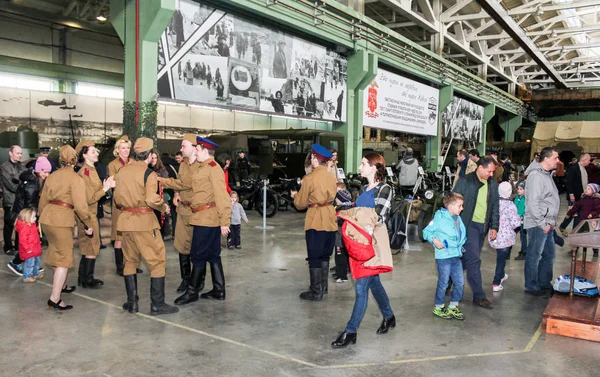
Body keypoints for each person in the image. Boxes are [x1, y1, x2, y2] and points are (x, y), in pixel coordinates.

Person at [331, 153, 395, 348]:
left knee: (361, 288)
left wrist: (359, 219)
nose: (360, 167)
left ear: (374, 168)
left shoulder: (385, 188)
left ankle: (351, 331)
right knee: (374, 283)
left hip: (371, 246)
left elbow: (379, 217)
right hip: (359, 245)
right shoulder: (364, 189)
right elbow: (360, 215)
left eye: (363, 164)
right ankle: (389, 316)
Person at [114, 137, 178, 316]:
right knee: (157, 261)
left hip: (126, 222)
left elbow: (117, 199)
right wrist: (162, 206)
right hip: (144, 222)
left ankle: (132, 303)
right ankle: (157, 304)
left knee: (130, 262)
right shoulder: (148, 174)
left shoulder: (121, 171)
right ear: (150, 155)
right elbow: (151, 199)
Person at [173, 137, 231, 305]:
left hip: (206, 218)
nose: (195, 152)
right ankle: (219, 290)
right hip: (204, 217)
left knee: (197, 255)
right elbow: (185, 184)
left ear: (205, 151)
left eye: (197, 149)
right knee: (213, 255)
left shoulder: (213, 168)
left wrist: (225, 221)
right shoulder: (202, 168)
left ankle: (192, 292)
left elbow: (222, 196)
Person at [39, 145, 95, 311]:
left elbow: (43, 199)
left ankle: (62, 284)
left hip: (47, 217)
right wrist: (87, 223)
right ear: (75, 160)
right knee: (64, 258)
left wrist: (41, 217)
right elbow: (80, 206)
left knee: (55, 251)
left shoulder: (52, 176)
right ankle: (55, 299)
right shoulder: (76, 179)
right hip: (62, 219)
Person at [291, 144, 337, 301]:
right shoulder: (332, 177)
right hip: (330, 217)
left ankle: (315, 291)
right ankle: (323, 288)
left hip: (316, 218)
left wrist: (295, 195)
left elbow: (300, 203)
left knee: (314, 255)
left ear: (315, 160)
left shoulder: (309, 178)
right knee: (325, 255)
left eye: (312, 157)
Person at [453, 156, 499, 309]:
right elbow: (453, 204)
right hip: (468, 225)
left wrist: (494, 226)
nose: (491, 174)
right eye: (489, 171)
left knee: (465, 260)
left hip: (483, 227)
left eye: (493, 172)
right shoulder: (465, 181)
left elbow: (494, 206)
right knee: (474, 260)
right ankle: (479, 296)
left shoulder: (492, 183)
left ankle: (447, 281)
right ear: (480, 167)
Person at [158, 134, 199, 293]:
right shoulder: (183, 164)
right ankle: (186, 280)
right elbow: (179, 184)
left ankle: (197, 281)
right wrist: (176, 194)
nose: (181, 149)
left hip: (196, 212)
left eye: (184, 146)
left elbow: (184, 183)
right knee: (182, 246)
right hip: (182, 210)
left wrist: (160, 180)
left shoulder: (201, 166)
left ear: (194, 148)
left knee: (196, 248)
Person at [75, 140, 113, 289]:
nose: (96, 153)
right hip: (88, 214)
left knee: (88, 246)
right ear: (84, 155)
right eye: (92, 151)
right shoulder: (85, 172)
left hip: (90, 213)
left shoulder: (92, 170)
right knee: (91, 247)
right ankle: (87, 279)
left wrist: (106, 188)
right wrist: (105, 189)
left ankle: (82, 277)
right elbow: (90, 198)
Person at [423, 192, 467, 320]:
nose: (462, 208)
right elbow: (426, 232)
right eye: (460, 206)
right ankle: (439, 306)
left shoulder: (458, 218)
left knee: (460, 283)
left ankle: (453, 305)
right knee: (443, 283)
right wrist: (435, 240)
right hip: (444, 257)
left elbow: (461, 234)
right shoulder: (439, 218)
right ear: (451, 206)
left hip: (456, 256)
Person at [524, 147, 561, 296]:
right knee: (534, 255)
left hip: (547, 223)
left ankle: (544, 283)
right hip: (537, 224)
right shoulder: (536, 176)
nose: (558, 161)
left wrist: (551, 221)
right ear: (546, 159)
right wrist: (542, 223)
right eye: (556, 158)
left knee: (549, 254)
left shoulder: (547, 175)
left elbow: (549, 200)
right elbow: (533, 202)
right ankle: (532, 285)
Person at [7, 157, 51, 276]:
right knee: (28, 243)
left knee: (28, 242)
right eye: (44, 172)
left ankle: (24, 263)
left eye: (48, 172)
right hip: (25, 217)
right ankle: (17, 263)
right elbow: (31, 204)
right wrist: (35, 217)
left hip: (23, 215)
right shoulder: (32, 184)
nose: (46, 175)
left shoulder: (31, 178)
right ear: (38, 170)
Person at [108, 136, 141, 276]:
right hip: (120, 204)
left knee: (132, 235)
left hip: (133, 202)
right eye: (123, 148)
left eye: (128, 148)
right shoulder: (113, 165)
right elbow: (114, 182)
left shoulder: (134, 163)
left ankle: (131, 264)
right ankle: (119, 266)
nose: (126, 150)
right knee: (119, 235)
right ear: (117, 150)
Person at [488, 182, 521, 292]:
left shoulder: (494, 203)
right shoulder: (511, 206)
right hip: (506, 238)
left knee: (500, 257)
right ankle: (496, 282)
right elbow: (515, 223)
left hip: (495, 235)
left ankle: (501, 275)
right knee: (501, 260)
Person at [561, 183, 600, 257]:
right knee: (578, 235)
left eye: (589, 189)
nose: (586, 190)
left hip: (591, 222)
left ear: (593, 191)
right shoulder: (583, 198)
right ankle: (575, 250)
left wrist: (592, 214)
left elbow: (598, 209)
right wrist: (569, 213)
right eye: (586, 188)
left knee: (592, 236)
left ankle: (595, 250)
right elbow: (576, 207)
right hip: (582, 221)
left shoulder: (596, 200)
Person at [1, 145, 26, 255]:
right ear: (10, 153)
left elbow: (27, 182)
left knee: (20, 225)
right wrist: (22, 185)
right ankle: (8, 247)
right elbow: (10, 185)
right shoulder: (4, 167)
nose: (20, 155)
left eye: (21, 153)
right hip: (10, 200)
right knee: (9, 225)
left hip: (21, 201)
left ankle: (17, 246)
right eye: (17, 153)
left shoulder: (23, 167)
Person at [559, 153, 591, 236]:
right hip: (574, 196)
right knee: (572, 213)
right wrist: (571, 194)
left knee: (577, 214)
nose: (589, 161)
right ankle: (564, 227)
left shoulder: (586, 169)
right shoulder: (574, 168)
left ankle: (574, 232)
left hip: (582, 196)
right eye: (588, 160)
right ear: (584, 160)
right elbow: (569, 182)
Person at [15, 208, 43, 283]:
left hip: (34, 248)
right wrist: (27, 249)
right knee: (29, 264)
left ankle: (35, 274)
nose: (35, 218)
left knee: (36, 262)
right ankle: (26, 277)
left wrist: (38, 242)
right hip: (29, 250)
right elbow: (23, 241)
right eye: (33, 217)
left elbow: (34, 236)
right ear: (26, 218)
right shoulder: (24, 228)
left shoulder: (32, 225)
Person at [332, 182, 352, 283]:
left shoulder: (341, 210)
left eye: (337, 198)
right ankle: (341, 273)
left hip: (340, 238)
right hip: (345, 238)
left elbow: (339, 223)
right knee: (343, 256)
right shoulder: (349, 208)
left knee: (340, 257)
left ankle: (341, 276)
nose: (335, 199)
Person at [150, 152, 171, 239]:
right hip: (149, 199)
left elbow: (166, 183)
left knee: (160, 220)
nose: (153, 160)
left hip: (160, 197)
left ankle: (160, 236)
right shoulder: (146, 169)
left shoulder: (162, 170)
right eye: (152, 158)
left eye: (155, 158)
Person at [513, 180, 528, 261]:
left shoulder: (526, 199)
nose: (519, 190)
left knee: (523, 236)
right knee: (520, 236)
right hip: (517, 220)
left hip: (523, 221)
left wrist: (521, 216)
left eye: (521, 189)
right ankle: (523, 250)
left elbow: (524, 209)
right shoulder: (517, 198)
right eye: (518, 189)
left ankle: (524, 251)